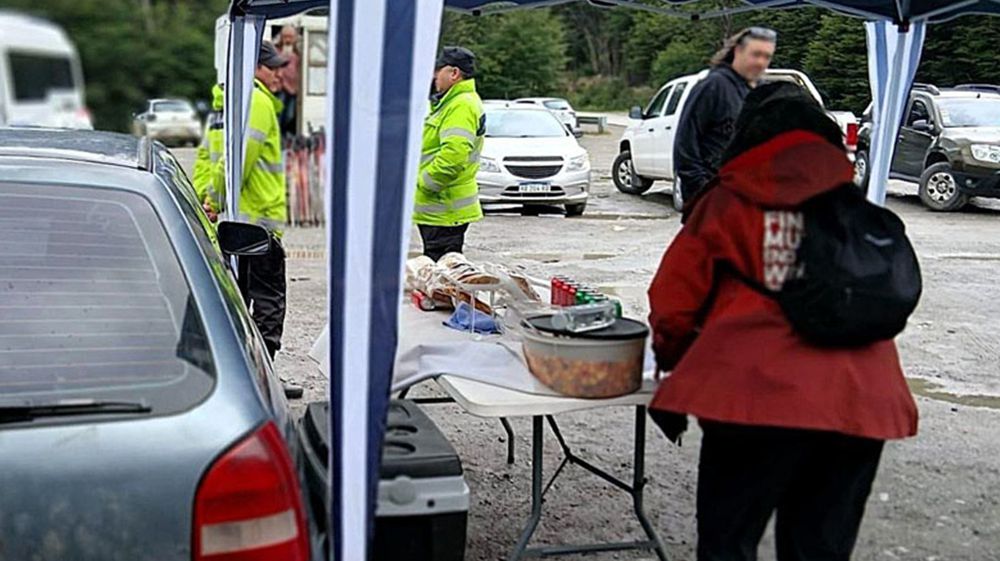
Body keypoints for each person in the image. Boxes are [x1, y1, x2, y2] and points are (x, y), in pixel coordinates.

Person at [647, 82, 918, 561]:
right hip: (862, 401)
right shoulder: (857, 211)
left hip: (753, 396)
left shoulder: (727, 203)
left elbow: (673, 304)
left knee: (728, 541)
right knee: (819, 549)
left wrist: (671, 365)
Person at [193, 40, 290, 360]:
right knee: (267, 303)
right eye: (272, 67)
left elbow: (205, 161)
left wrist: (205, 202)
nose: (279, 74)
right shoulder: (257, 102)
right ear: (254, 69)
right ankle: (266, 375)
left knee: (237, 300)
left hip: (231, 224)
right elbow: (238, 162)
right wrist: (215, 199)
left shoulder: (222, 108)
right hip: (258, 223)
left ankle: (244, 371)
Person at [673, 27, 776, 212]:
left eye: (767, 57)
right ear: (738, 51)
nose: (761, 62)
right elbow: (684, 146)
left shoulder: (763, 92)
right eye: (756, 54)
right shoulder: (713, 86)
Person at [414, 46, 485, 261]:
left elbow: (452, 157)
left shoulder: (461, 105)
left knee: (443, 277)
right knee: (442, 274)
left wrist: (425, 184)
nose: (434, 76)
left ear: (454, 73)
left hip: (444, 209)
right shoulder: (451, 103)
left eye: (438, 70)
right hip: (441, 210)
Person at [274, 25, 301, 137]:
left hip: (293, 89)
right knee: (279, 113)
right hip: (280, 88)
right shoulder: (277, 51)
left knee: (290, 115)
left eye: (290, 37)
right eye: (285, 37)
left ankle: (284, 134)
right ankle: (278, 134)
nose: (288, 40)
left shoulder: (297, 54)